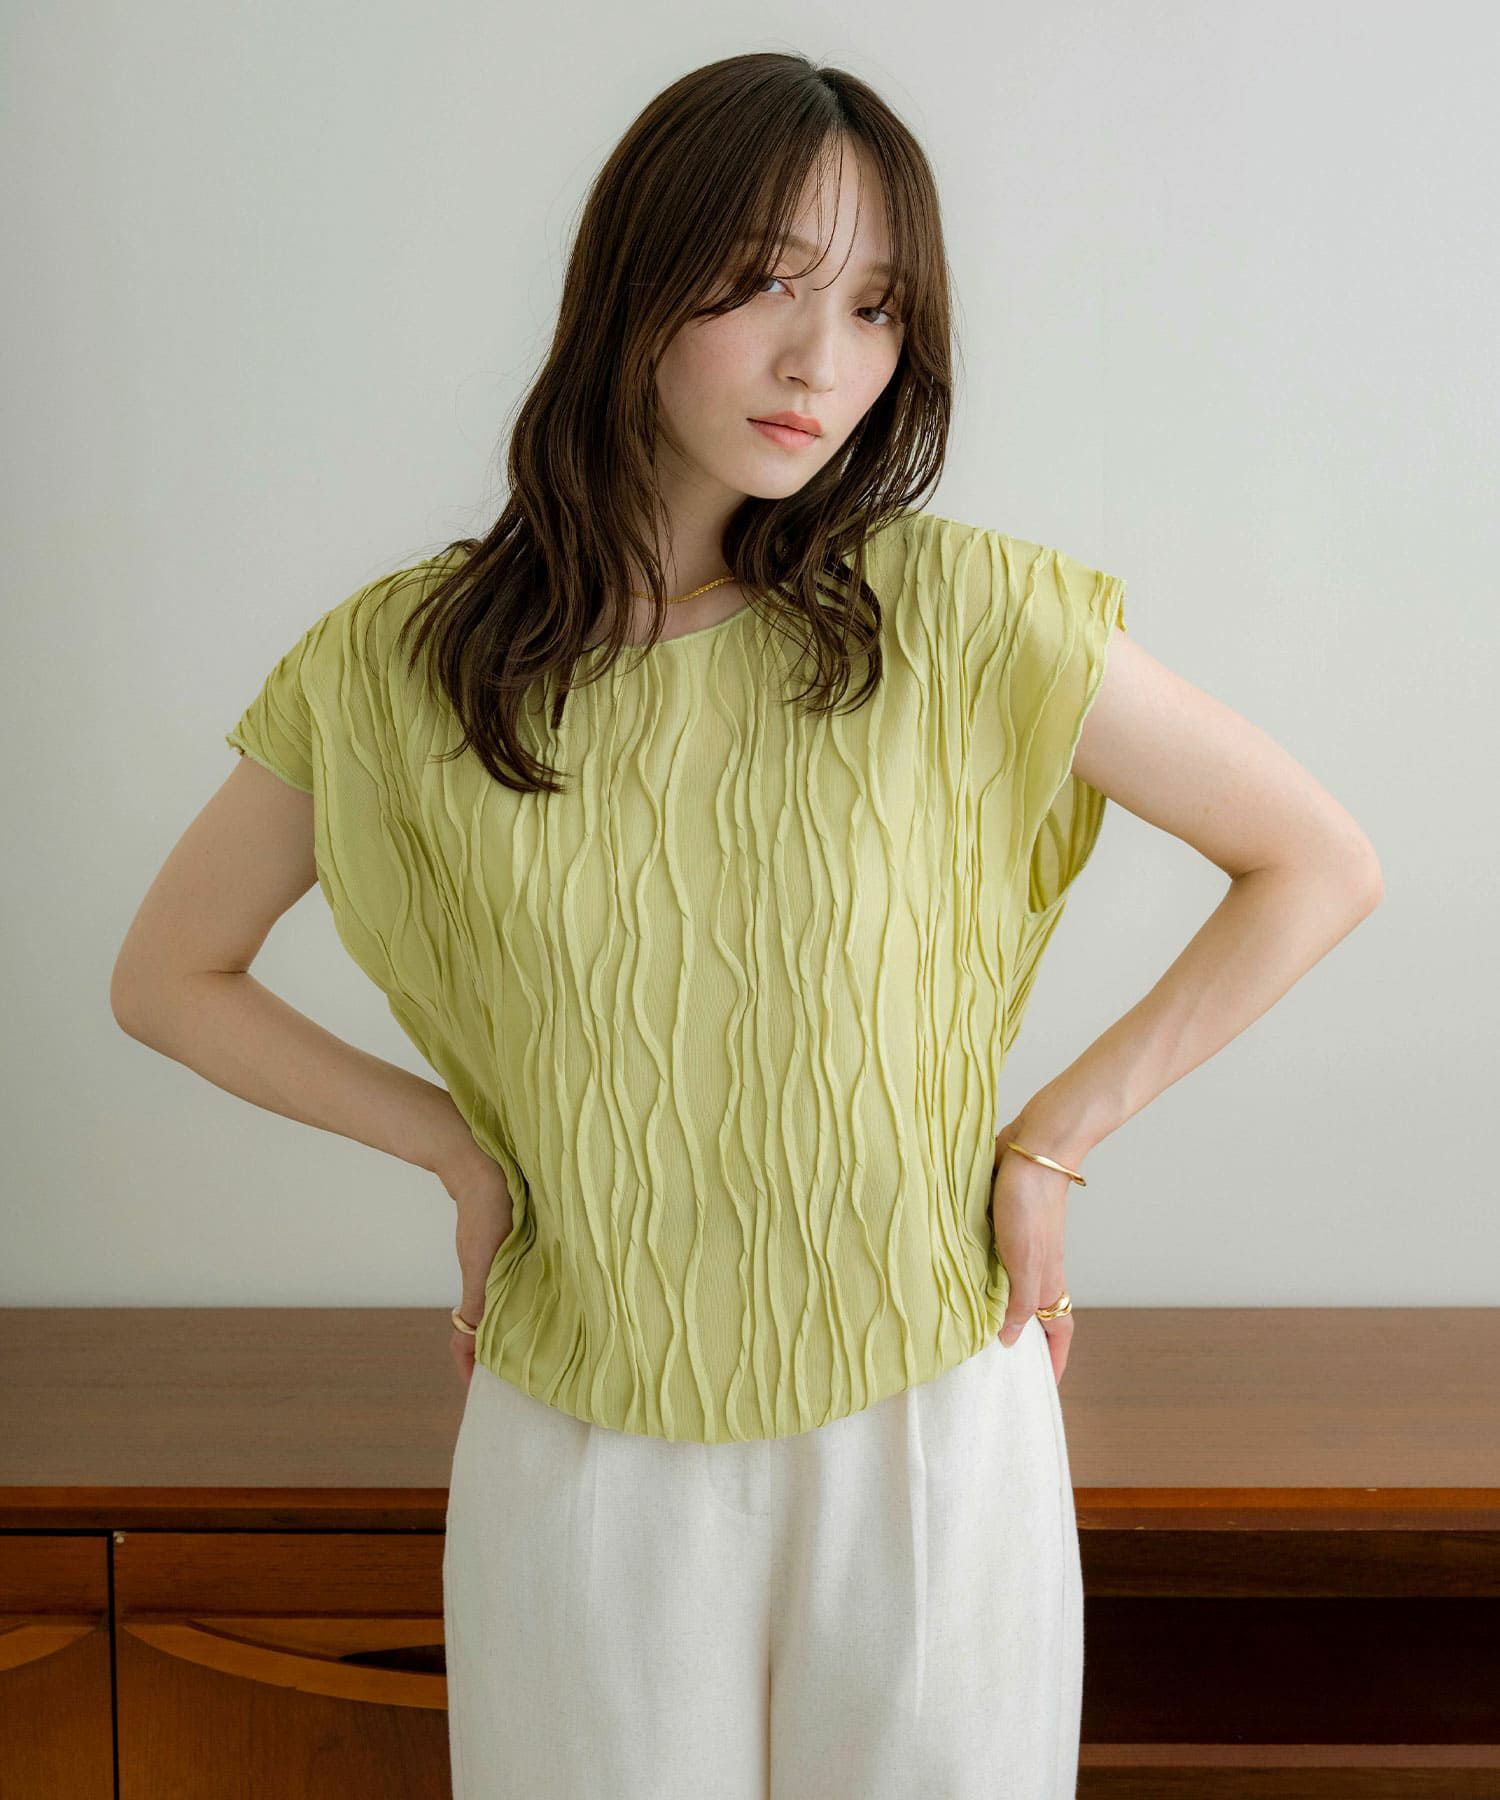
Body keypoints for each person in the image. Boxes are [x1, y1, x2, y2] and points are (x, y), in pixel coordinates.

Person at [110, 50, 1383, 1800]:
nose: (820, 363)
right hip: (580, 1427)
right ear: (637, 279)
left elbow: (1317, 862)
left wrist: (1053, 1142)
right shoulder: (395, 666)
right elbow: (169, 976)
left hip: (930, 1412)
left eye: (875, 309)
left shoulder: (964, 614)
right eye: (768, 282)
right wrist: (459, 1152)